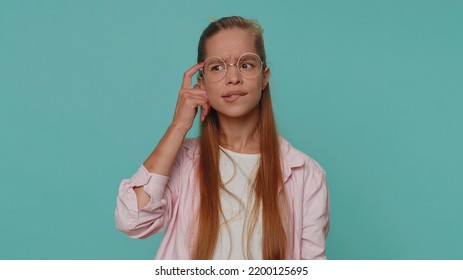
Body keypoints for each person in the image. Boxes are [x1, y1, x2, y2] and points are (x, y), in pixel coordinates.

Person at [115, 16, 330, 260]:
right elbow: (132, 219)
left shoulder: (306, 174)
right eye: (217, 67)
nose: (233, 78)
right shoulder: (183, 162)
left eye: (246, 65)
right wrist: (178, 126)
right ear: (201, 83)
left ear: (264, 77)